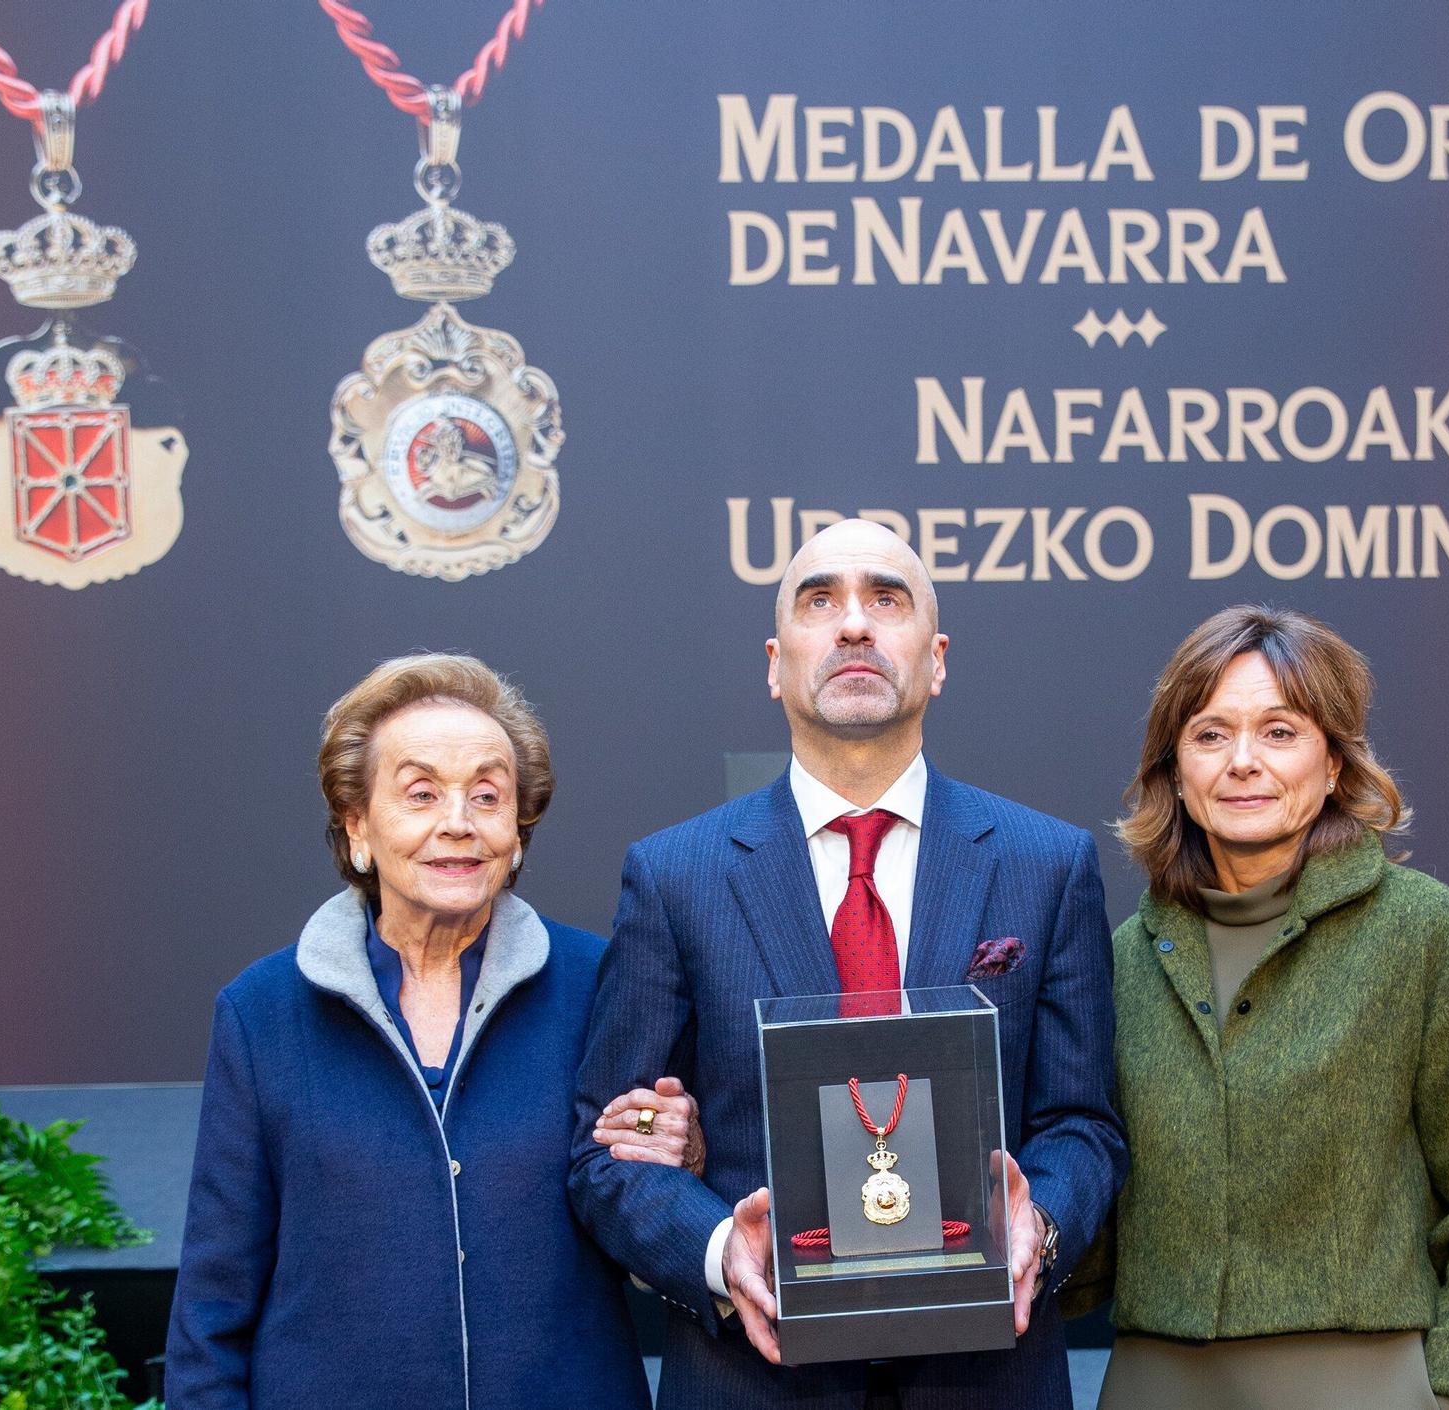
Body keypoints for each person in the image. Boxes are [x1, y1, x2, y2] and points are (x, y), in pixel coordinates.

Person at [570, 519, 1126, 1409]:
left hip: (985, 1375)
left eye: (887, 599)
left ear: (937, 660)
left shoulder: (1044, 864)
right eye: (820, 600)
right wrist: (721, 1252)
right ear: (774, 661)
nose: (855, 625)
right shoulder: (675, 875)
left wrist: (1041, 1224)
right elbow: (608, 1151)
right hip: (754, 1380)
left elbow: (1083, 1125)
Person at [165, 654, 692, 1409]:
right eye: (420, 793)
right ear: (358, 827)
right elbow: (212, 1312)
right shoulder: (262, 1013)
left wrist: (682, 1153)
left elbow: (647, 1206)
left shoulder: (602, 984)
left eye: (487, 794)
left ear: (517, 832)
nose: (458, 822)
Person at [1084, 605, 1449, 1410]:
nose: (1243, 762)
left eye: (1279, 732)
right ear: (1173, 769)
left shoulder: (1428, 935)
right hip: (1152, 1386)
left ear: (1337, 764)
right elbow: (1091, 1233)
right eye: (1210, 735)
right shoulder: (1123, 960)